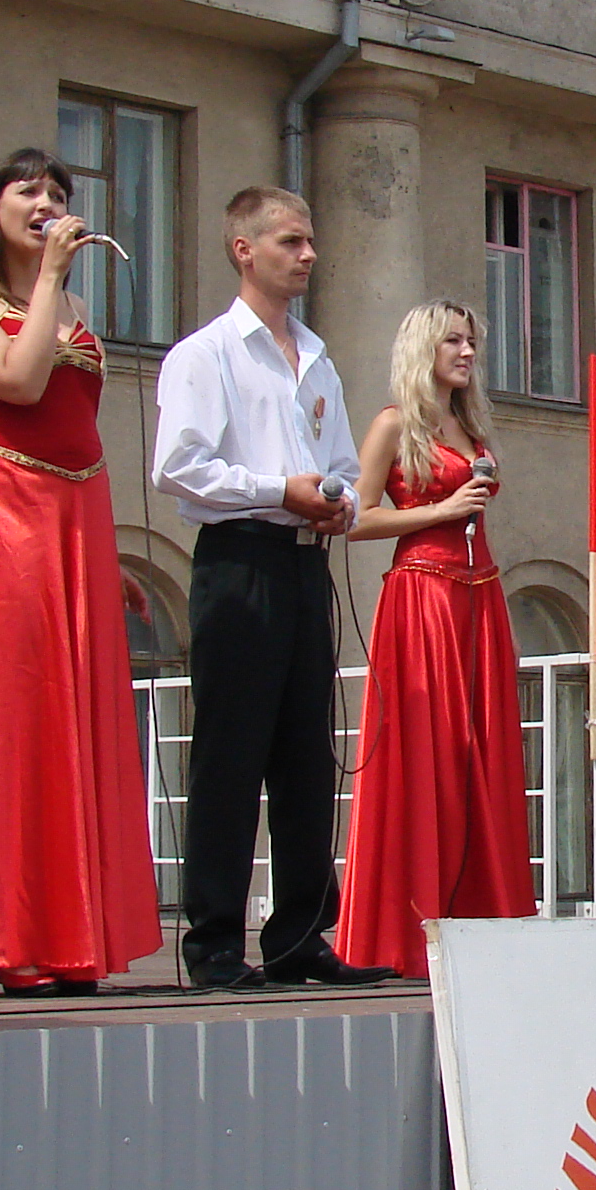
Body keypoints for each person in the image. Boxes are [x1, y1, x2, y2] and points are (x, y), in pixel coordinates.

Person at [0, 149, 162, 992]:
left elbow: (79, 425)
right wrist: (49, 277)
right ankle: (11, 938)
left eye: (59, 192)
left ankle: (71, 934)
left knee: (74, 719)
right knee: (16, 716)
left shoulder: (71, 300)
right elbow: (14, 381)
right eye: (29, 190)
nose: (47, 202)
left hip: (75, 518)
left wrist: (108, 553)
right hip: (4, 512)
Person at [151, 187, 393, 991]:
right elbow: (179, 468)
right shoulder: (207, 353)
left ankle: (298, 936)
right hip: (239, 557)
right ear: (244, 249)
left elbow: (341, 468)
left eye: (311, 239)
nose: (309, 254)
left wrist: (339, 501)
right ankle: (215, 942)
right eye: (291, 240)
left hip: (301, 561)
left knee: (305, 752)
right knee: (230, 752)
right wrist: (275, 490)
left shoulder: (316, 355)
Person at [332, 301, 533, 975]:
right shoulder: (395, 425)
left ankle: (484, 914)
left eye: (472, 340)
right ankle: (406, 924)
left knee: (482, 755)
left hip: (480, 597)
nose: (468, 351)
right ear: (424, 348)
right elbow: (354, 517)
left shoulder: (471, 425)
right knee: (426, 754)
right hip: (421, 598)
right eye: (453, 340)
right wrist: (438, 511)